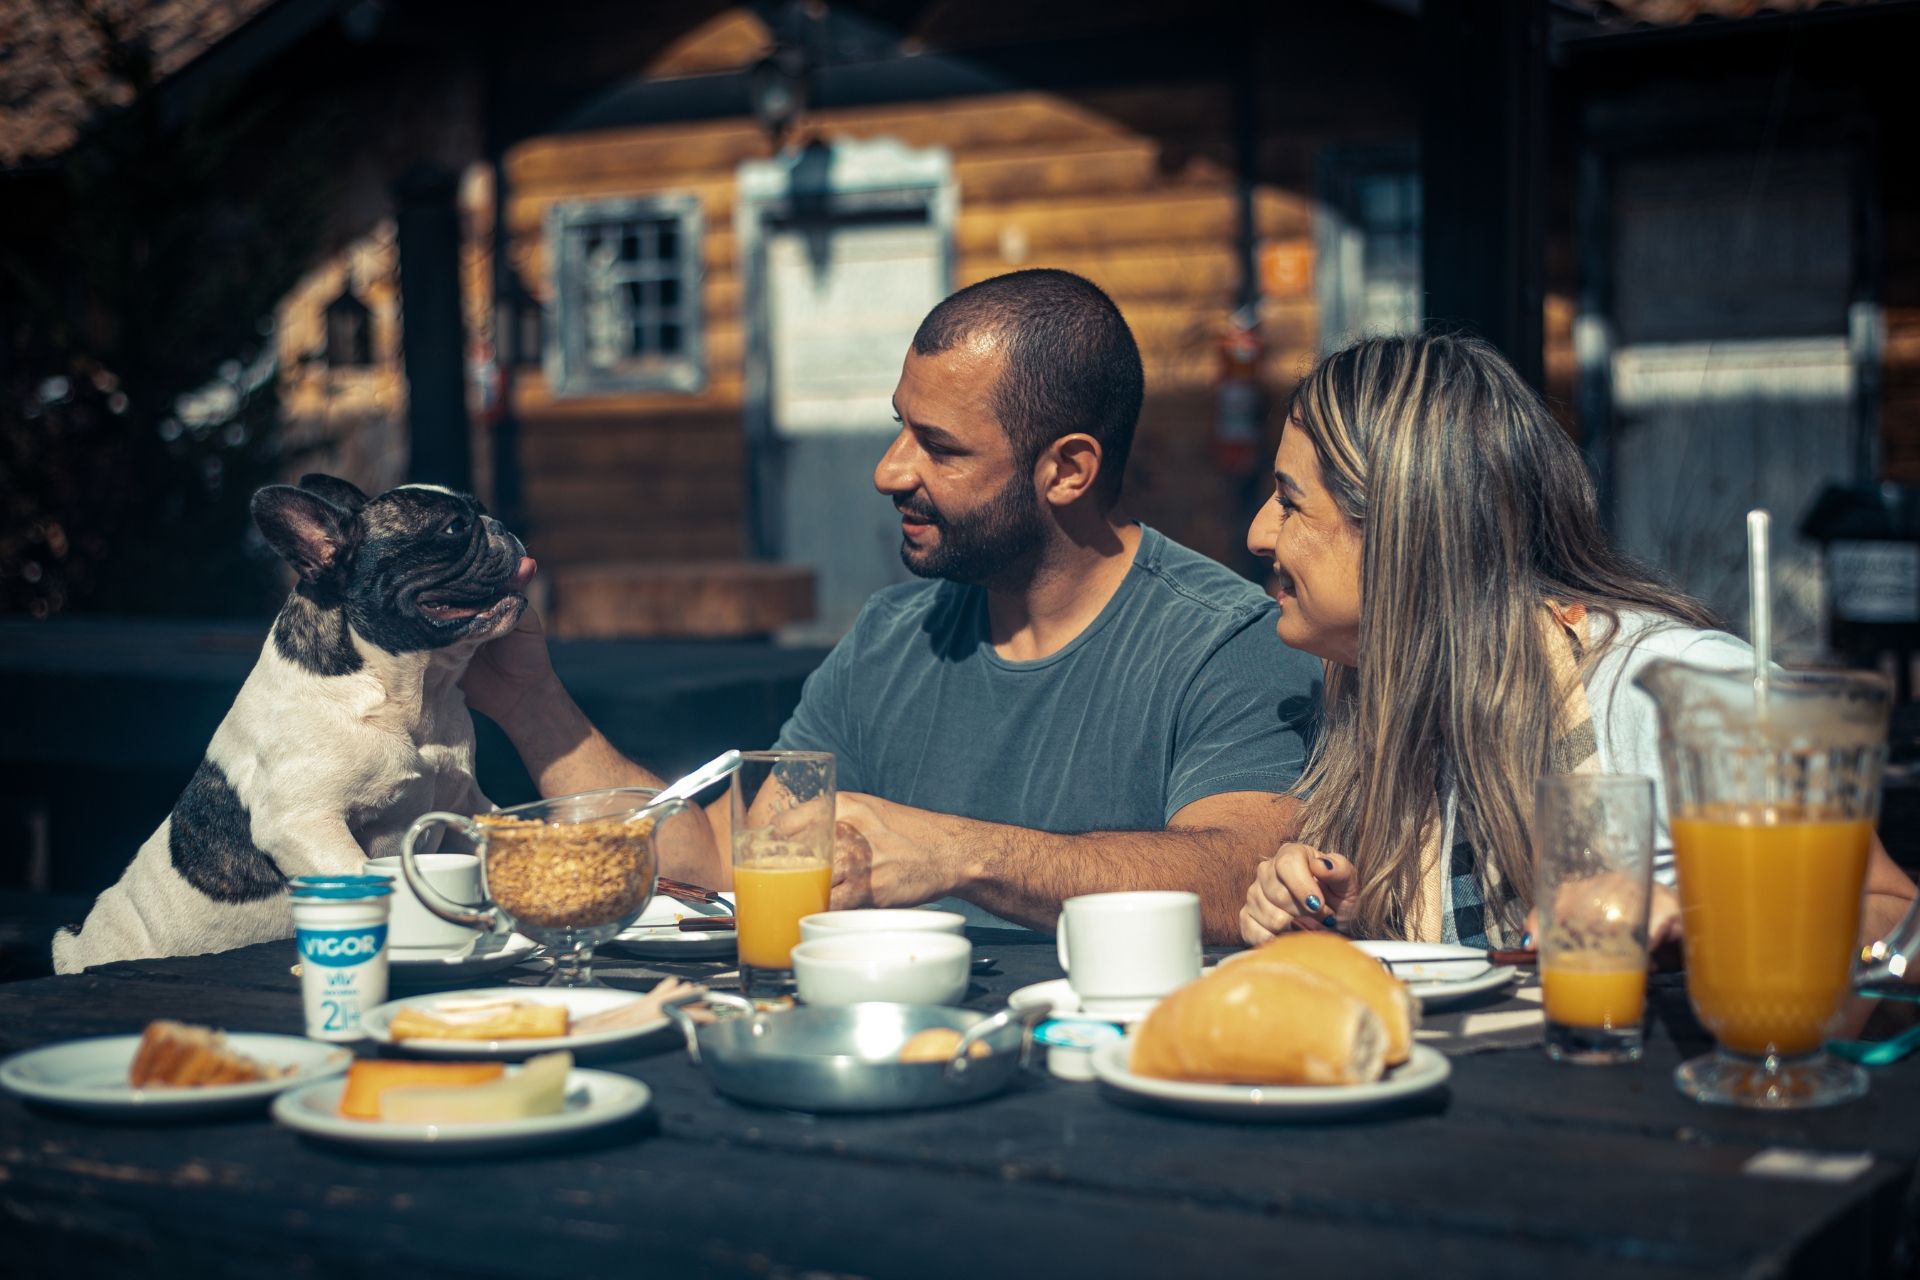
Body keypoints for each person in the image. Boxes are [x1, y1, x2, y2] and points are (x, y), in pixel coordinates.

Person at [465, 269, 1321, 942]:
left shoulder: (1229, 639)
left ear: (1068, 470)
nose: (889, 470)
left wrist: (957, 852)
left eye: (939, 447)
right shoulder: (893, 634)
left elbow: (1242, 876)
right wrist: (529, 701)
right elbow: (728, 858)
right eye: (900, 425)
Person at [1238, 332, 1917, 955]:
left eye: (1291, 502)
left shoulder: (1676, 687)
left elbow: (1899, 918)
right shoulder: (1392, 706)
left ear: (1402, 531)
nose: (1259, 534)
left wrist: (1698, 916)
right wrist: (1350, 915)